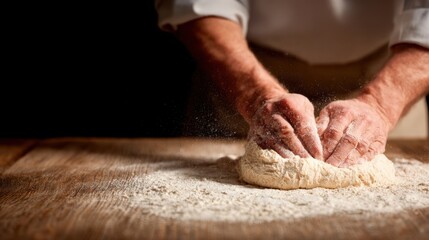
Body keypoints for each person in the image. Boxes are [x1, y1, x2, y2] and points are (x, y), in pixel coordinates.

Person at [155, 0, 429, 167]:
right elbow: (200, 4)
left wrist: (380, 106)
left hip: (392, 76)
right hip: (240, 71)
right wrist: (254, 95)